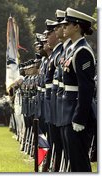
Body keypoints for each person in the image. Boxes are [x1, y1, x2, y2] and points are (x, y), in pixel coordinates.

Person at [61, 7, 96, 172]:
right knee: (73, 161)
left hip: (77, 113)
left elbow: (86, 87)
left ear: (77, 27)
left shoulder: (82, 51)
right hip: (70, 110)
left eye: (67, 24)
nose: (64, 27)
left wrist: (80, 118)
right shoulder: (72, 49)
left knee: (80, 162)